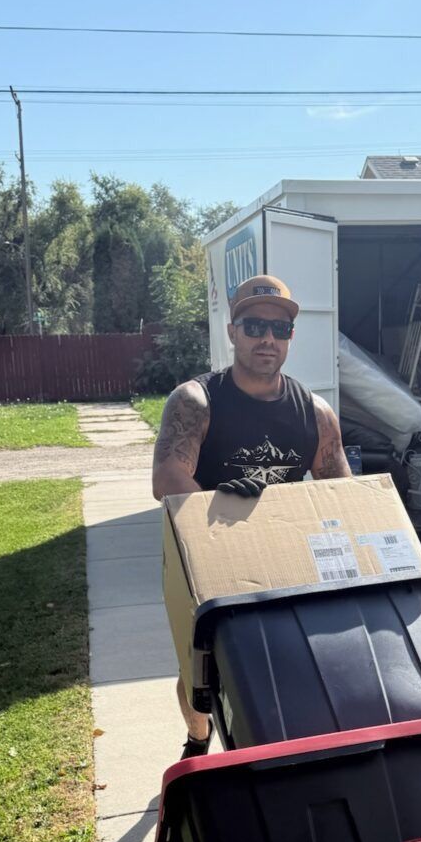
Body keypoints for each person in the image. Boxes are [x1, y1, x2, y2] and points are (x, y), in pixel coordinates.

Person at [152, 273, 352, 757]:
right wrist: (221, 508)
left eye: (279, 330)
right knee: (199, 671)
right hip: (208, 557)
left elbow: (342, 495)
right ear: (233, 331)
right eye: (255, 326)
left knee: (279, 666)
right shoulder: (197, 401)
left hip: (282, 560)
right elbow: (168, 480)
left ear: (289, 338)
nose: (267, 338)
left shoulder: (316, 413)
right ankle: (197, 741)